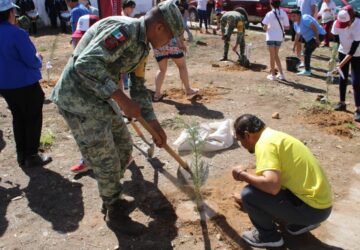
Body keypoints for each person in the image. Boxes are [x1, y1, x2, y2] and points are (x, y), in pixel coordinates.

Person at [50, 0, 184, 235]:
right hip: (78, 98)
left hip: (100, 98)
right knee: (105, 158)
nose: (170, 42)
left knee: (124, 148)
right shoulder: (125, 31)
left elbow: (139, 88)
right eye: (171, 36)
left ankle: (113, 192)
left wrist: (153, 124)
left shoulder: (142, 47)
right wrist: (122, 100)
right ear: (160, 27)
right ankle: (114, 208)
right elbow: (86, 64)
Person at [232, 114, 332, 248]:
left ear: (247, 135)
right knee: (257, 191)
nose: (241, 145)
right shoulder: (275, 136)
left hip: (313, 210)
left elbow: (272, 186)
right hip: (322, 205)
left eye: (240, 140)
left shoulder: (264, 145)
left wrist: (241, 175)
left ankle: (269, 237)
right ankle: (301, 223)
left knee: (249, 195)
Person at [0, 0, 52, 168]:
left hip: (5, 85)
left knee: (18, 118)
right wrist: (39, 57)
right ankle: (32, 155)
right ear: (10, 13)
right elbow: (32, 61)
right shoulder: (17, 33)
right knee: (32, 118)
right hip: (25, 84)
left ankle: (21, 154)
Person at [331, 6, 360, 122]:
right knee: (342, 78)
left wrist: (339, 65)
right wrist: (333, 57)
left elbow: (352, 52)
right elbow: (336, 41)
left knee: (356, 81)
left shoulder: (358, 25)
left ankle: (358, 109)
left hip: (358, 54)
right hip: (342, 51)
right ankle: (342, 103)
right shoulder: (336, 23)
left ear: (351, 18)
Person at [153, 36, 198, 101]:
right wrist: (181, 43)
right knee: (182, 66)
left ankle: (157, 94)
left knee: (161, 70)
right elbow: (178, 31)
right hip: (173, 42)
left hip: (158, 43)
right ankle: (188, 90)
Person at [291, 9, 326, 76]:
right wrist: (294, 46)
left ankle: (307, 71)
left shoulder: (304, 19)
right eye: (292, 16)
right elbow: (297, 35)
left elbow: (314, 28)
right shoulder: (295, 24)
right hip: (310, 38)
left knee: (306, 52)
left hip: (319, 35)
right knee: (306, 52)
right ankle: (307, 69)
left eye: (294, 16)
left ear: (299, 15)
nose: (292, 17)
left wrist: (317, 39)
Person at [262, 0, 290, 81]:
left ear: (271, 4)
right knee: (276, 55)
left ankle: (273, 75)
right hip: (279, 37)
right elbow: (287, 27)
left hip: (271, 37)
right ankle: (281, 74)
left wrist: (270, 27)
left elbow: (265, 28)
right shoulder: (283, 13)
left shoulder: (269, 14)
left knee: (272, 56)